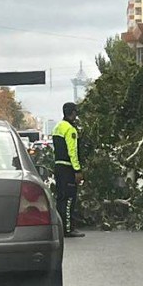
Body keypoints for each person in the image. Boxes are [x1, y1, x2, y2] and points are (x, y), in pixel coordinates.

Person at [52, 102, 85, 238]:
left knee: (60, 198)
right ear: (73, 113)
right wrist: (77, 170)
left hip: (58, 166)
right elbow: (73, 151)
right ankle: (68, 229)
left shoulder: (57, 127)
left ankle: (60, 228)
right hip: (67, 168)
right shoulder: (70, 130)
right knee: (69, 199)